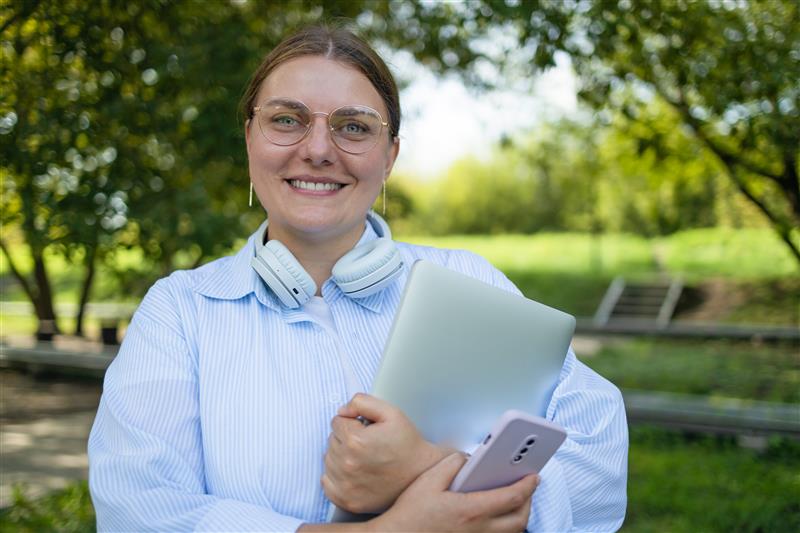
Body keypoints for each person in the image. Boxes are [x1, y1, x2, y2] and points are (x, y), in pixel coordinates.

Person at [88, 24, 628, 532]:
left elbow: (598, 461)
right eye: (286, 119)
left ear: (389, 156)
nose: (318, 150)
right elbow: (140, 510)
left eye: (353, 127)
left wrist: (431, 465)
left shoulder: (470, 279)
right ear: (249, 139)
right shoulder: (182, 309)